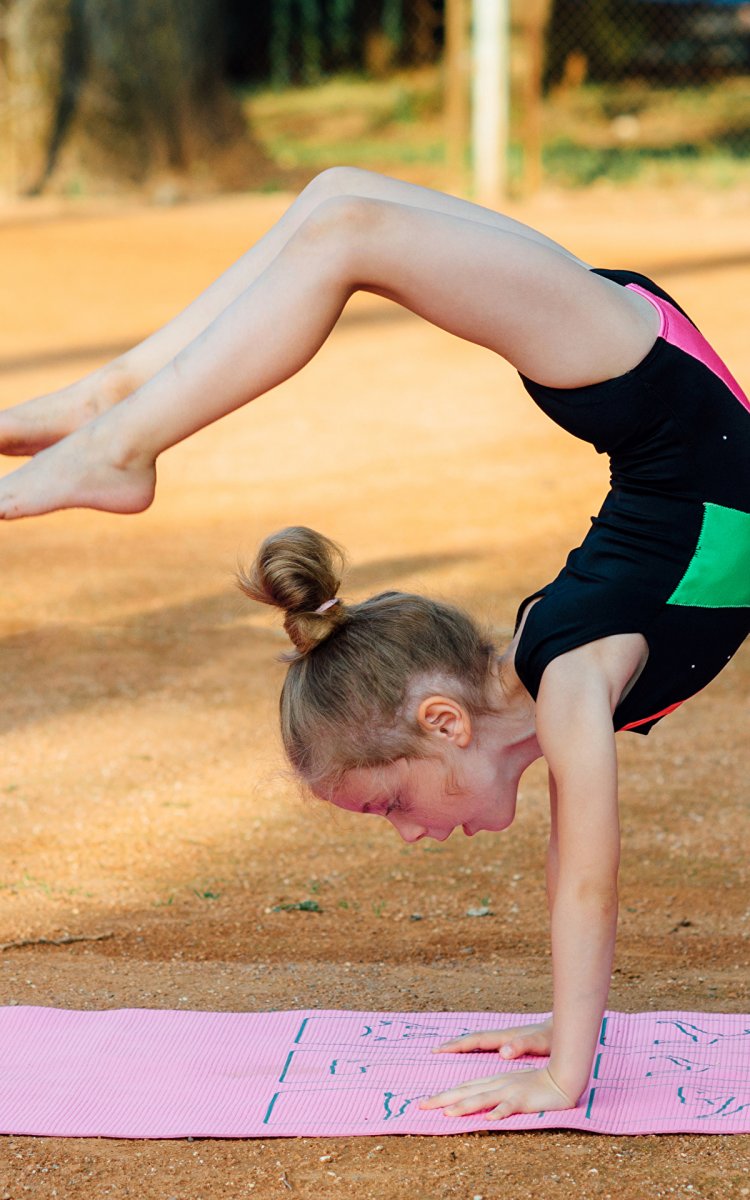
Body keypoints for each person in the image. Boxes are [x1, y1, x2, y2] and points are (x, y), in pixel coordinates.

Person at [0, 167, 747, 1121]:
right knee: (338, 199)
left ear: (443, 721)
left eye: (390, 799)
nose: (408, 832)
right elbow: (573, 862)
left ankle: (118, 435)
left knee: (349, 219)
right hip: (652, 381)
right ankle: (111, 406)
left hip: (647, 384)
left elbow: (589, 885)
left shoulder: (568, 681)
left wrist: (568, 1078)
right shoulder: (560, 686)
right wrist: (569, 1025)